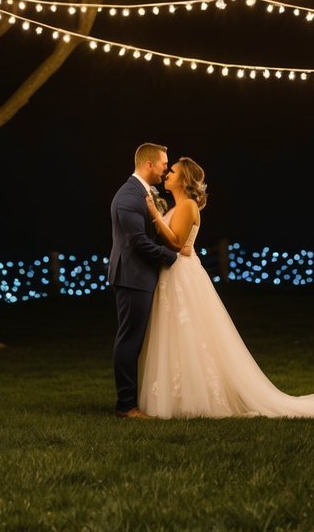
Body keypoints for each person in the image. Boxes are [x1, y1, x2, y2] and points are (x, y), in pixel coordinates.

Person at [139, 157, 314, 419]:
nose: (168, 173)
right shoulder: (178, 206)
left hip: (182, 275)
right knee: (174, 333)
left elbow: (178, 243)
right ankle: (174, 396)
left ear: (185, 179)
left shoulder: (188, 205)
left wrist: (155, 215)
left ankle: (196, 398)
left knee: (190, 333)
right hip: (173, 274)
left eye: (173, 171)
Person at [108, 142, 188, 419]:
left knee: (137, 339)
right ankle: (126, 406)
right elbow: (138, 242)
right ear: (149, 164)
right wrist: (173, 257)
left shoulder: (145, 193)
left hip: (142, 276)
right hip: (132, 277)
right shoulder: (129, 196)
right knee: (129, 340)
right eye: (164, 164)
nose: (166, 169)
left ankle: (137, 399)